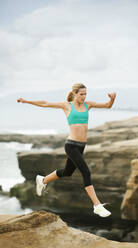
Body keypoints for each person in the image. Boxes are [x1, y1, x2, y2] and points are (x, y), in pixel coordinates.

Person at [17, 83, 116, 217]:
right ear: (74, 94)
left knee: (67, 172)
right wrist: (26, 101)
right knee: (86, 172)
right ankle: (97, 205)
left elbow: (107, 106)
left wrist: (112, 99)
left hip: (81, 146)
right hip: (71, 145)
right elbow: (45, 103)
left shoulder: (88, 105)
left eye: (85, 94)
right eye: (81, 94)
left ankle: (43, 180)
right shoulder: (67, 106)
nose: (83, 96)